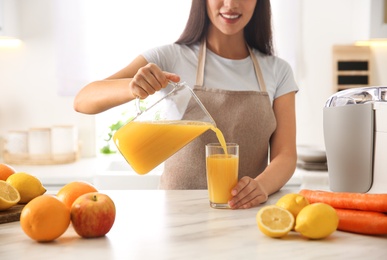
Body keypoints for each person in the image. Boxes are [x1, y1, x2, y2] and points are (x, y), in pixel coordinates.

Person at [74, 0, 298, 209]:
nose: (231, 4)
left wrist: (261, 187)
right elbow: (83, 100)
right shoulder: (169, 57)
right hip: (179, 217)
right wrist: (132, 86)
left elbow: (286, 154)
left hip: (245, 213)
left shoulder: (278, 71)